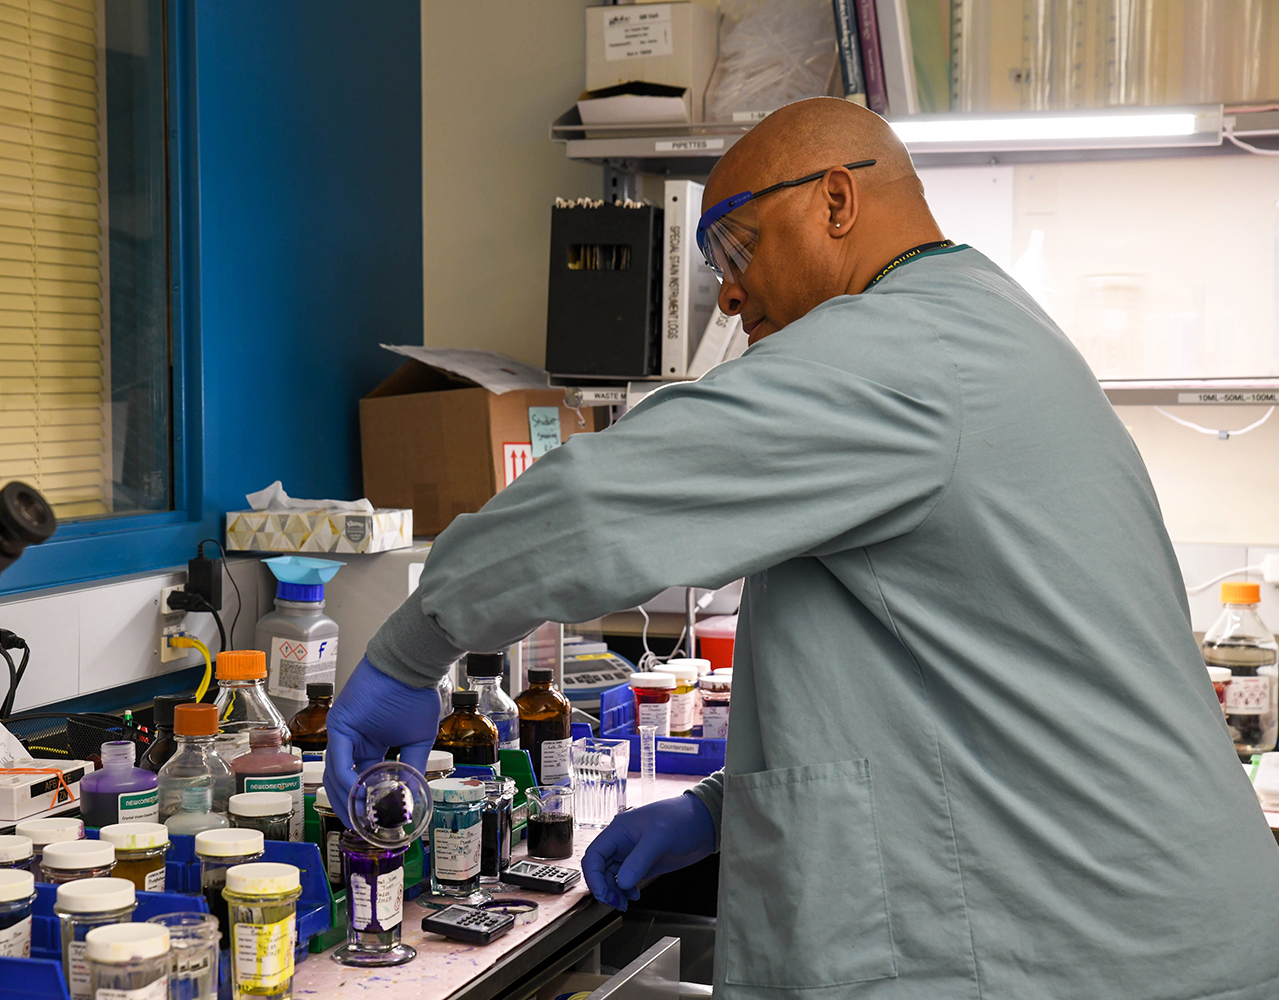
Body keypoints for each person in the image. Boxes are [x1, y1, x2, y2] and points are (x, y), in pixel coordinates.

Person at [324, 97, 1279, 998]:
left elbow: (598, 507)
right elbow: (936, 686)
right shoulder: (979, 331)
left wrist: (410, 654)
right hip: (1126, 917)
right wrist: (724, 812)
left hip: (1088, 943)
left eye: (737, 245)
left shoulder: (905, 350)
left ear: (836, 199)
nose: (730, 297)